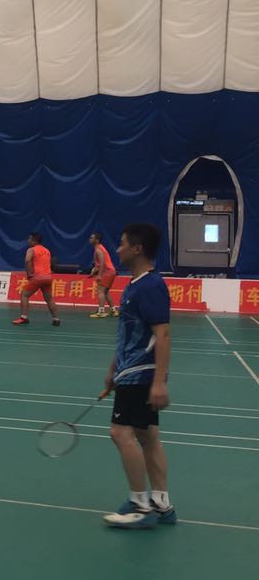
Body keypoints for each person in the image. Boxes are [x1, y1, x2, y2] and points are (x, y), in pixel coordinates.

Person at [99, 223, 175, 529]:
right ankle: (161, 504)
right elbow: (130, 334)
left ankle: (140, 506)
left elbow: (163, 334)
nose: (118, 249)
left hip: (141, 374)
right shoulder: (135, 284)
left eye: (122, 243)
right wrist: (112, 371)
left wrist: (158, 382)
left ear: (137, 248)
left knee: (119, 433)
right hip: (130, 371)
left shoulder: (150, 286)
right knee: (147, 435)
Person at [12, 232, 60, 326]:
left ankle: (24, 318)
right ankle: (56, 319)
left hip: (38, 277)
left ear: (34, 240)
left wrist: (29, 274)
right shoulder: (47, 250)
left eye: (29, 239)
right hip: (48, 277)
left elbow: (27, 260)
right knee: (49, 298)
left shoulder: (31, 249)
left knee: (24, 295)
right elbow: (50, 263)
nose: (28, 240)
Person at [89, 232, 118, 318]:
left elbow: (102, 263)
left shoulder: (98, 249)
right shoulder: (99, 248)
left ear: (97, 240)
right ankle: (113, 310)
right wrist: (93, 272)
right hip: (111, 271)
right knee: (105, 292)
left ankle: (101, 312)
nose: (90, 239)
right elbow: (98, 264)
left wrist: (99, 275)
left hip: (107, 272)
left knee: (100, 291)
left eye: (92, 238)